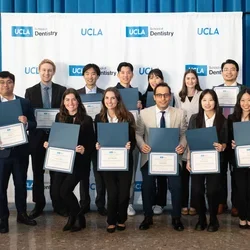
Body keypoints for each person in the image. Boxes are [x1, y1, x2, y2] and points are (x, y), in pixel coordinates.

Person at [136, 82, 187, 231]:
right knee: (147, 186)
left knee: (177, 187)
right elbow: (138, 134)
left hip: (172, 158)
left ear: (170, 96)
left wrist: (182, 145)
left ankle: (176, 218)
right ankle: (147, 217)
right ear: (154, 97)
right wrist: (142, 144)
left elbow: (184, 134)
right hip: (150, 157)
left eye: (166, 95)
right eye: (159, 95)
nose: (163, 98)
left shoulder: (180, 113)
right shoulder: (144, 113)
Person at [44, 88, 95, 232]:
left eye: (73, 99)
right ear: (63, 102)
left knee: (65, 190)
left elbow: (92, 142)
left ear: (78, 101)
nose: (70, 103)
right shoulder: (59, 117)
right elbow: (56, 138)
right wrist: (49, 144)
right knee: (56, 192)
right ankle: (75, 215)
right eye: (67, 100)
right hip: (62, 162)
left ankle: (77, 217)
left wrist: (84, 149)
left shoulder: (86, 120)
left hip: (79, 163)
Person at [25, 59, 67, 219]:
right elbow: (30, 115)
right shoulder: (30, 91)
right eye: (43, 70)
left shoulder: (61, 90)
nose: (46, 73)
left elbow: (64, 113)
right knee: (37, 172)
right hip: (37, 138)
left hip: (57, 138)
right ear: (39, 71)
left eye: (49, 70)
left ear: (53, 72)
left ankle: (58, 204)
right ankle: (39, 204)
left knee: (57, 173)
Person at [0, 71, 37, 234]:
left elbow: (34, 124)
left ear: (13, 84)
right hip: (2, 154)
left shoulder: (24, 102)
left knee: (21, 184)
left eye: (8, 82)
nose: (5, 85)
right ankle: (3, 218)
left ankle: (22, 214)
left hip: (21, 151)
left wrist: (27, 123)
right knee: (1, 187)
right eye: (1, 82)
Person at [95, 87, 136, 233]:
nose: (109, 101)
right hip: (107, 161)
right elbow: (96, 139)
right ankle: (111, 220)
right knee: (112, 193)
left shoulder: (128, 117)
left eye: (113, 98)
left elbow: (133, 141)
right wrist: (97, 145)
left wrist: (129, 145)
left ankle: (121, 219)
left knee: (124, 193)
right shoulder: (99, 118)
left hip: (124, 161)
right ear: (103, 100)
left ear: (118, 100)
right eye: (107, 98)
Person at [186, 89, 228, 232]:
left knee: (212, 191)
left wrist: (222, 146)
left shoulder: (223, 120)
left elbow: (226, 142)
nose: (207, 103)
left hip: (215, 162)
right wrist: (189, 160)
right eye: (204, 100)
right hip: (198, 161)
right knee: (197, 191)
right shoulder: (194, 118)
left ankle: (214, 220)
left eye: (210, 100)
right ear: (200, 102)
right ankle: (202, 218)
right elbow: (190, 142)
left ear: (215, 102)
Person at [216, 59, 246, 216]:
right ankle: (221, 202)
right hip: (221, 134)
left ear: (237, 72)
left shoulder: (244, 90)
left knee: (237, 171)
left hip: (238, 135)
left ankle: (236, 203)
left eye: (232, 69)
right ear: (221, 72)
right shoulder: (215, 91)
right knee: (220, 170)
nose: (229, 72)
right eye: (226, 69)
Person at [77, 63, 107, 216]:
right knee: (83, 174)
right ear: (83, 75)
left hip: (98, 140)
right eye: (87, 73)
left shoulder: (104, 94)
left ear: (98, 76)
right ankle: (84, 203)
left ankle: (101, 204)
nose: (90, 76)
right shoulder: (76, 94)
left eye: (93, 73)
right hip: (81, 139)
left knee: (99, 174)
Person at [115, 62, 142, 216]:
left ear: (132, 74)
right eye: (123, 72)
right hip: (116, 137)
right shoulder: (112, 93)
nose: (125, 75)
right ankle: (115, 201)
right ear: (118, 74)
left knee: (130, 173)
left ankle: (128, 203)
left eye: (128, 72)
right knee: (114, 173)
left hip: (132, 138)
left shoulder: (138, 93)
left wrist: (140, 108)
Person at [175, 69, 202, 216]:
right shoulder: (179, 96)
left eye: (193, 78)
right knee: (184, 175)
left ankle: (195, 204)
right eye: (187, 78)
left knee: (197, 175)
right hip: (183, 135)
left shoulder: (202, 95)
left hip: (198, 134)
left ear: (197, 80)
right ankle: (184, 204)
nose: (190, 81)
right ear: (184, 81)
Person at [141, 68, 168, 215]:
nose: (154, 80)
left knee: (163, 172)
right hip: (148, 141)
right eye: (151, 78)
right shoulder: (142, 96)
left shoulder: (169, 97)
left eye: (157, 77)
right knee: (149, 176)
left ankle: (161, 202)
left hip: (164, 138)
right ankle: (149, 203)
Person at [228, 88, 250, 229]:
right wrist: (232, 143)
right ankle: (243, 216)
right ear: (238, 101)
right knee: (241, 189)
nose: (246, 103)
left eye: (249, 100)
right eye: (243, 100)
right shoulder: (232, 118)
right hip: (239, 160)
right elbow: (228, 138)